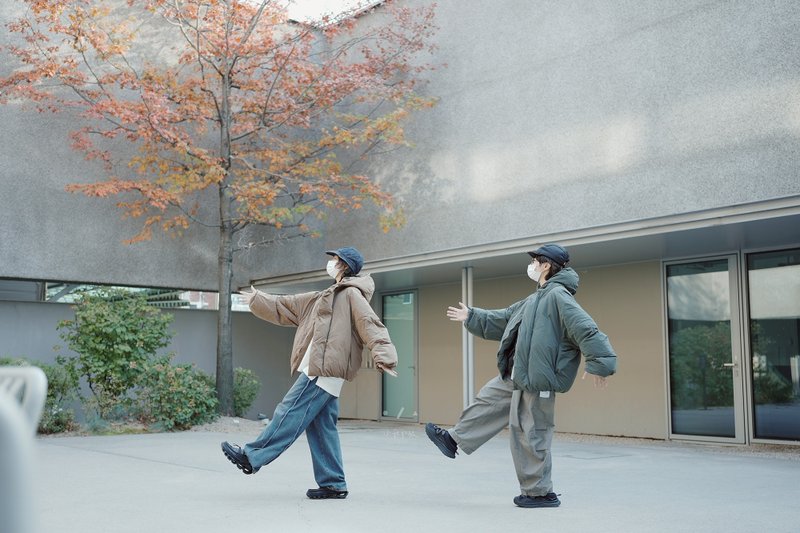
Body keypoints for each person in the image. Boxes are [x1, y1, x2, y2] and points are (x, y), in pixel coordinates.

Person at [424, 244, 616, 508]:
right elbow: (505, 319)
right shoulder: (535, 298)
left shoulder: (558, 296)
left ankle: (540, 493)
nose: (532, 266)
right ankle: (453, 439)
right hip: (517, 373)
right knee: (487, 401)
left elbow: (587, 330)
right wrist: (472, 316)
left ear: (546, 265)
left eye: (535, 261)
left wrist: (600, 364)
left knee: (530, 434)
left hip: (539, 379)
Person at [221, 246, 398, 500]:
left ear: (345, 266)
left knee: (288, 411)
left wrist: (386, 358)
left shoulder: (350, 295)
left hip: (323, 370)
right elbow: (285, 306)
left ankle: (251, 456)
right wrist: (256, 298)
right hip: (323, 371)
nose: (331, 263)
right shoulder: (322, 297)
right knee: (321, 427)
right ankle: (333, 483)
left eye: (335, 260)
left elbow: (371, 325)